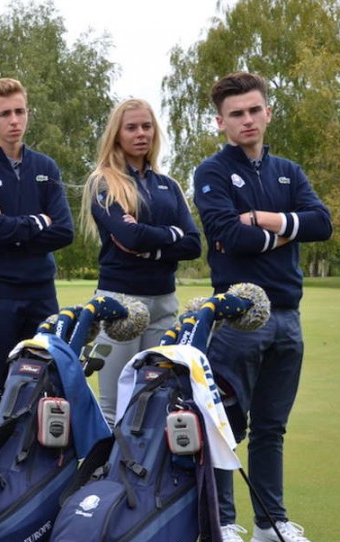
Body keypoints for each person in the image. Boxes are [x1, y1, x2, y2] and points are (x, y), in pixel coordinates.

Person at [194, 72, 333, 542]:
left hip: (288, 316)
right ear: (221, 122)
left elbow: (323, 223)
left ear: (267, 112)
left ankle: (271, 524)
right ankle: (223, 524)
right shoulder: (210, 172)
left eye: (254, 110)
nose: (247, 120)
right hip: (237, 318)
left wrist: (268, 221)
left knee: (273, 427)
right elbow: (232, 236)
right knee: (226, 424)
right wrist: (279, 229)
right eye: (236, 114)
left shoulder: (288, 171)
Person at [78, 99, 201, 425]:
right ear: (117, 134)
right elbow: (127, 238)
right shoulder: (102, 182)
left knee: (157, 402)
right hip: (119, 301)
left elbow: (193, 244)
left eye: (146, 126)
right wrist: (169, 235)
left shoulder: (169, 185)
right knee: (114, 406)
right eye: (131, 127)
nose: (141, 133)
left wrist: (151, 243)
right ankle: (104, 475)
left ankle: (145, 476)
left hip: (164, 301)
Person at [0, 78, 74, 400]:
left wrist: (9, 224)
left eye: (20, 111)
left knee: (47, 382)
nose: (14, 120)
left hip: (42, 292)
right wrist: (39, 221)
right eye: (5, 113)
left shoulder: (45, 166)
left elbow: (64, 231)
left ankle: (39, 451)